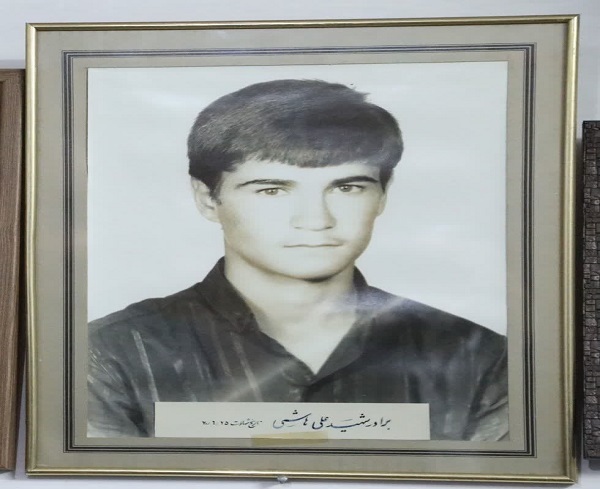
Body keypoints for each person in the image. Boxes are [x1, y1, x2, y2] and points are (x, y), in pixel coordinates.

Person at [88, 79, 508, 440]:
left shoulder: (480, 357)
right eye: (272, 190)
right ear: (207, 199)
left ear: (383, 194)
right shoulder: (109, 354)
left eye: (347, 188)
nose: (315, 220)